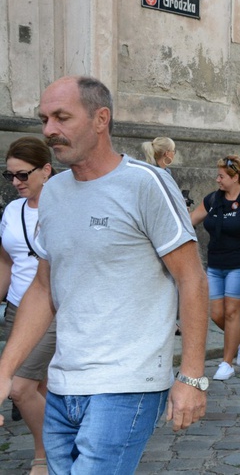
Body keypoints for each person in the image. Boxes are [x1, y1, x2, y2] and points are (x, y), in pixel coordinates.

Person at [0, 76, 209, 473]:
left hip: (127, 384)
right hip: (63, 384)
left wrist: (192, 376)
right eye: (44, 119)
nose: (49, 130)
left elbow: (191, 278)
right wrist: (4, 371)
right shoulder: (55, 193)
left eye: (62, 117)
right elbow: (43, 289)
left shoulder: (145, 183)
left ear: (101, 119)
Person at [0, 137, 56, 474]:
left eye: (23, 175)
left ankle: (43, 453)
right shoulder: (12, 210)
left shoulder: (66, 204)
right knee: (44, 386)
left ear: (46, 170)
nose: (16, 183)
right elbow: (7, 260)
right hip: (16, 309)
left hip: (52, 310)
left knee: (20, 388)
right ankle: (64, 445)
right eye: (10, 177)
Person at [190, 155, 240, 381]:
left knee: (232, 312)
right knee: (216, 314)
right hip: (216, 264)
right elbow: (191, 219)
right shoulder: (213, 199)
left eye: (222, 176)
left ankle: (227, 363)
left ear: (235, 177)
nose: (217, 180)